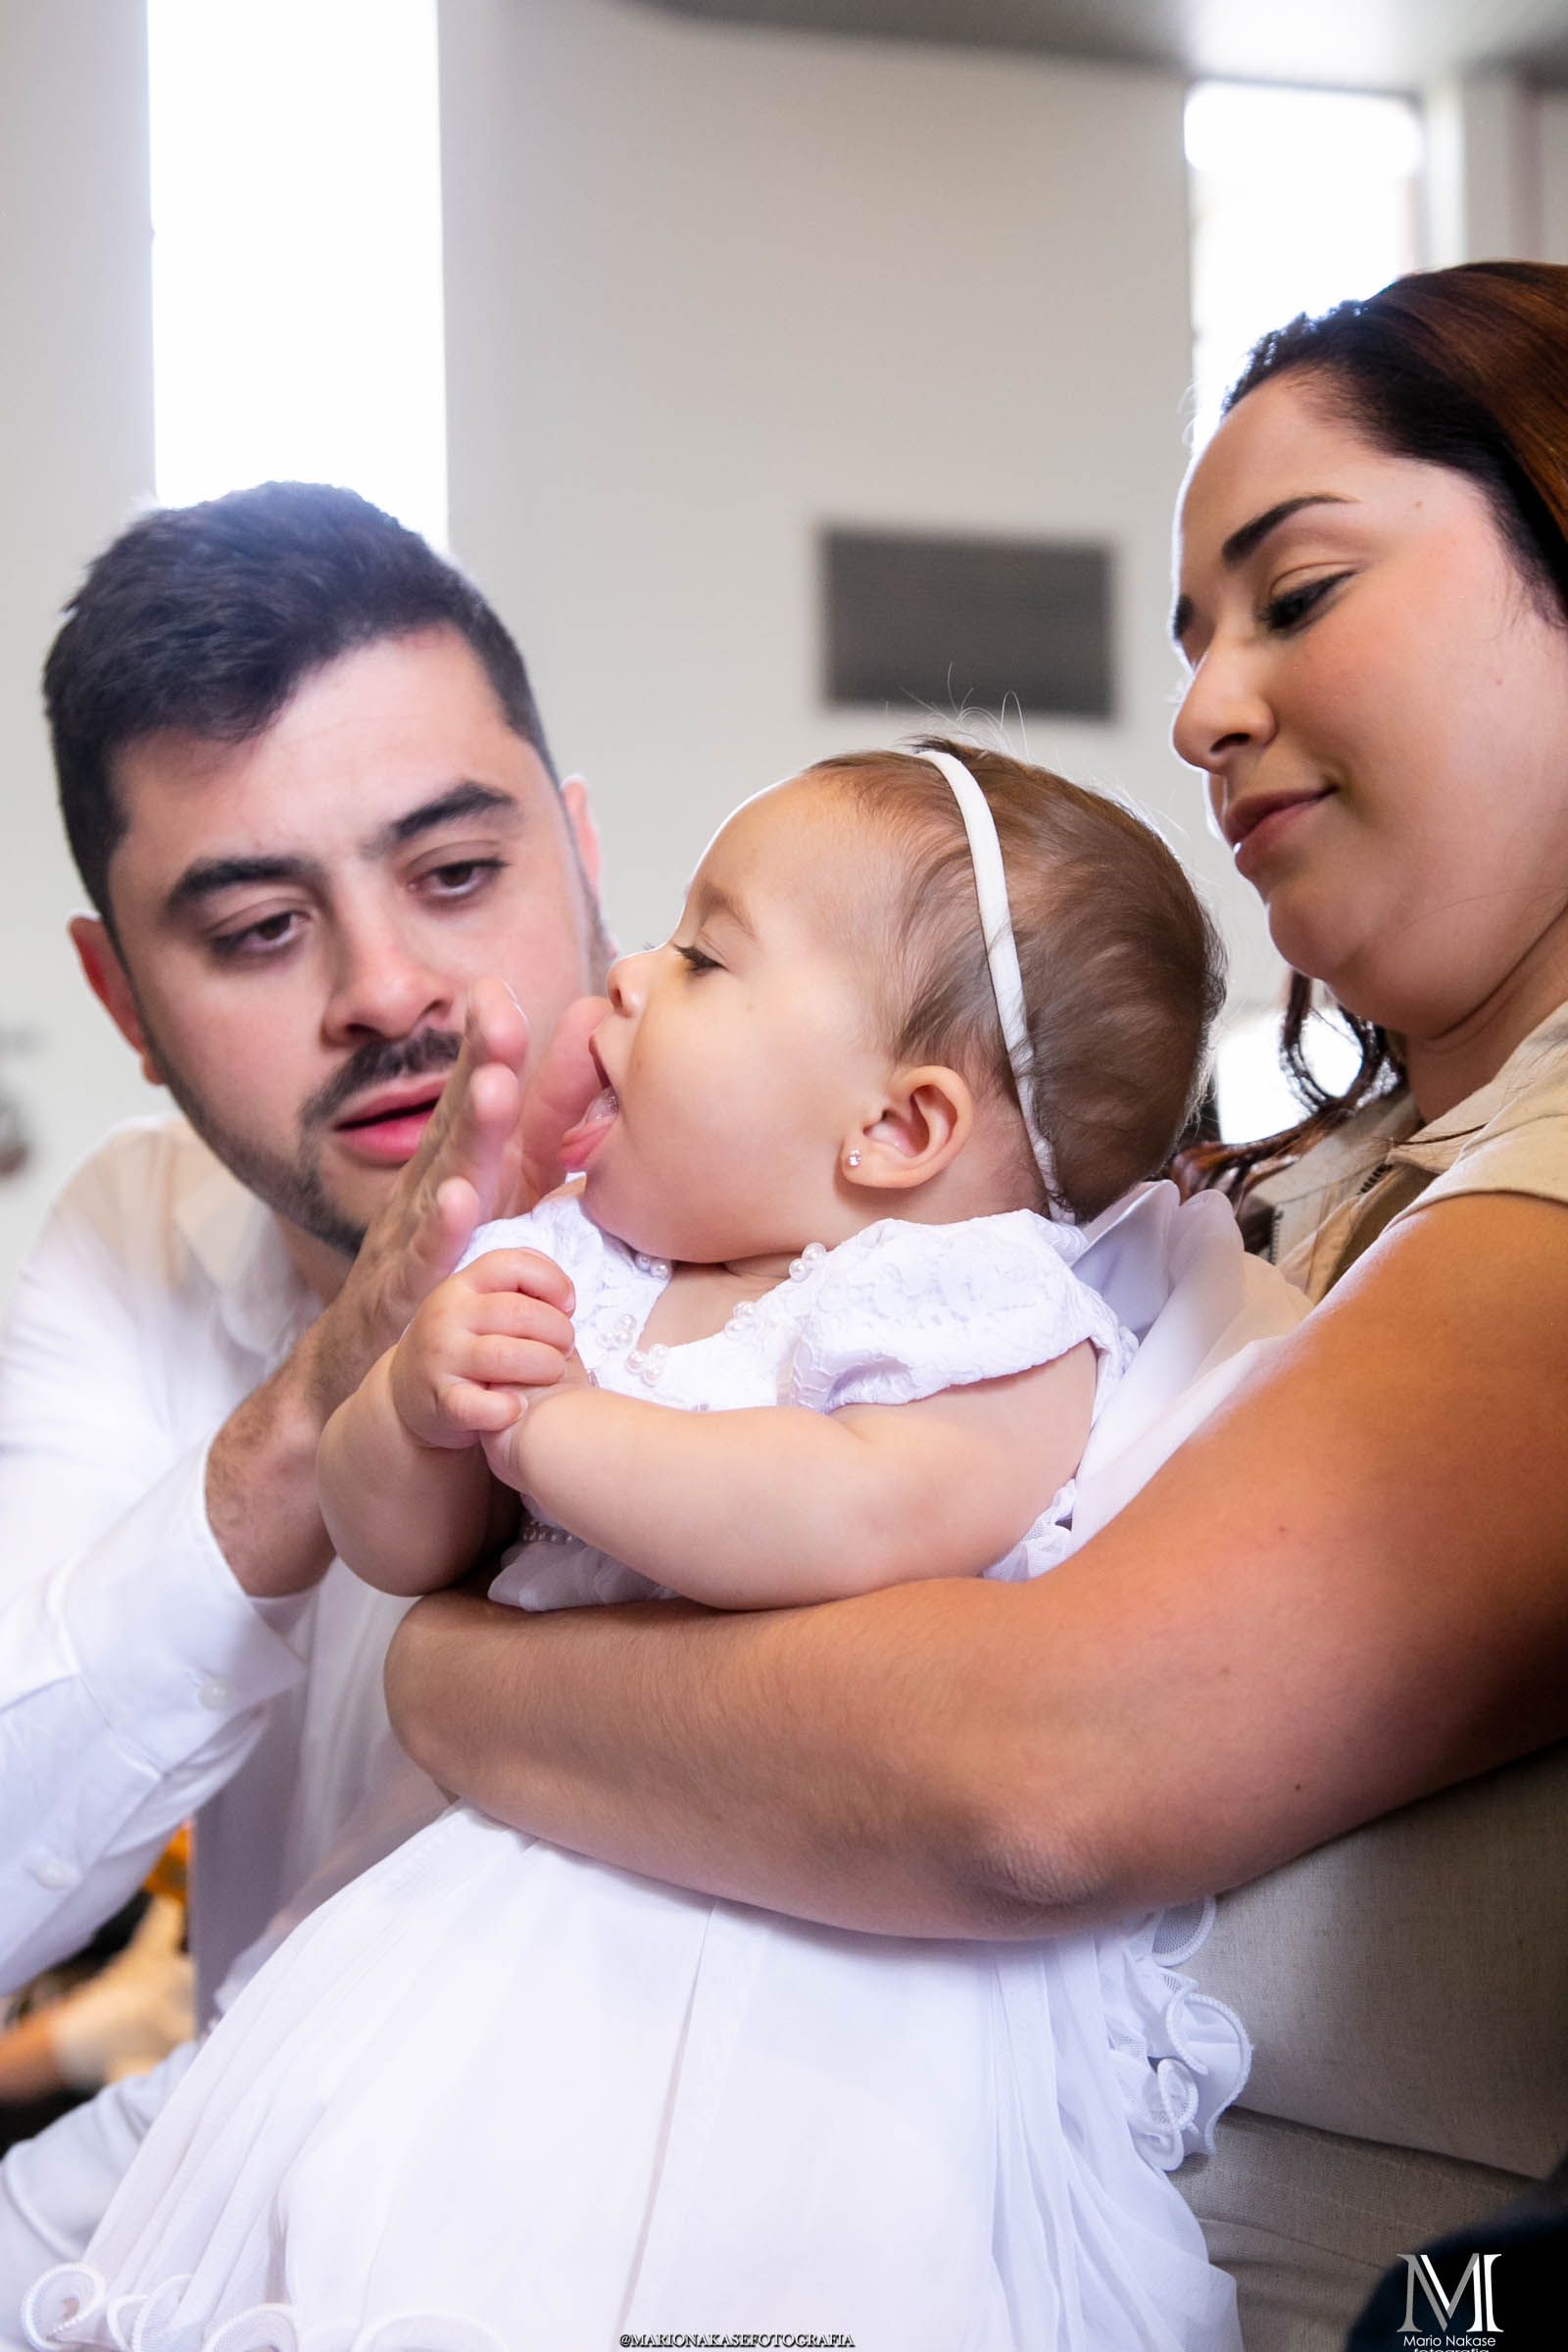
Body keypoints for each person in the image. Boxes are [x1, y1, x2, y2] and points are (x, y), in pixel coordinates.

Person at [359, 263, 1568, 2349]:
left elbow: (1034, 1773)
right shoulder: (1237, 1201)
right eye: (1192, 641)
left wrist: (449, 1681)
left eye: (1295, 595)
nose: (1201, 710)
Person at [22, 742, 1253, 2352]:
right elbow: (405, 1549)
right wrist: (420, 1401)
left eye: (703, 954)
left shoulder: (980, 1311)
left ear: (897, 1125)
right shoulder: (584, 1265)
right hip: (495, 1935)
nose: (630, 974)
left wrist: (552, 1431)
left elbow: (860, 1512)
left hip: (813, 1986)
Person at [0, 482, 608, 2264]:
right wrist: (323, 1395)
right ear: (123, 1002)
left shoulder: (836, 1210)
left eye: (457, 874)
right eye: (260, 930)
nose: (388, 990)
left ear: (580, 847)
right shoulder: (136, 1230)